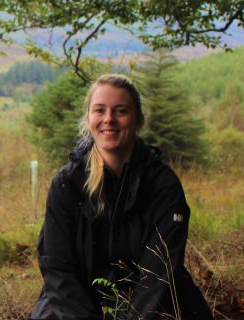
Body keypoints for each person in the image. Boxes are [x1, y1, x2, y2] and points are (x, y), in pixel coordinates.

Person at [30, 74, 213, 319]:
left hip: (154, 303)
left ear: (139, 120)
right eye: (100, 110)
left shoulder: (163, 185)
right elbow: (58, 268)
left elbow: (159, 275)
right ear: (88, 118)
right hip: (75, 303)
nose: (109, 120)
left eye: (121, 111)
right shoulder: (67, 184)